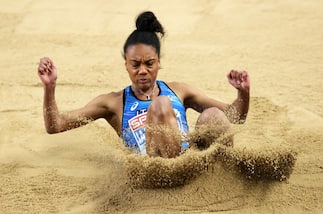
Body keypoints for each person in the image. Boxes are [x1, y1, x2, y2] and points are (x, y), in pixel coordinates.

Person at [37, 11, 250, 158]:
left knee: (212, 115)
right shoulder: (113, 103)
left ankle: (225, 179)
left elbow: (235, 116)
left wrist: (243, 93)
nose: (142, 71)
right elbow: (56, 125)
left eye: (149, 64)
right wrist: (50, 88)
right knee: (160, 105)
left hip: (188, 164)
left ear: (158, 63)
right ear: (126, 66)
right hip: (153, 173)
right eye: (135, 64)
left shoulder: (179, 90)